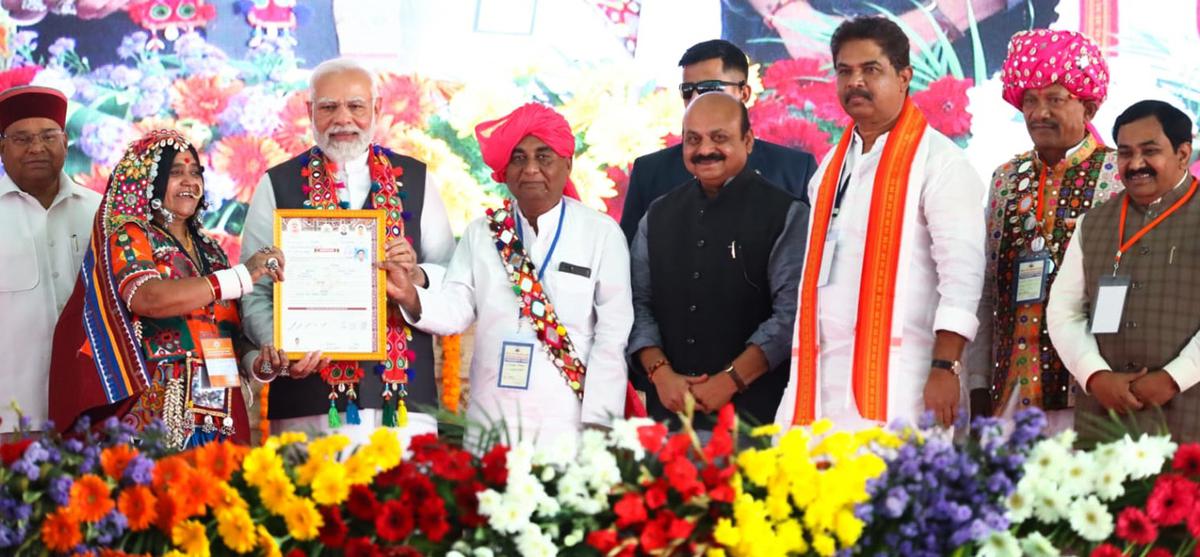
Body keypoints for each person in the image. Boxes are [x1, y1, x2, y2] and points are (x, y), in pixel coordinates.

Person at [775, 17, 987, 431]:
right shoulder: (830, 169)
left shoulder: (940, 164)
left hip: (903, 379)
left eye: (871, 70)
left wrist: (946, 366)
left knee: (896, 493)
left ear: (904, 77)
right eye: (845, 71)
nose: (856, 82)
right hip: (819, 380)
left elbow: (962, 278)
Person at [389, 103, 633, 451]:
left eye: (543, 157)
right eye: (518, 158)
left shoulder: (601, 234)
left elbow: (613, 335)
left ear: (568, 163)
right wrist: (409, 296)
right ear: (505, 169)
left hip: (567, 424)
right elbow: (456, 308)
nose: (530, 169)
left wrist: (599, 422)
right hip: (492, 421)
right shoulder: (483, 233)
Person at [240, 57, 454, 445]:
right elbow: (255, 288)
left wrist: (415, 278)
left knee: (403, 503)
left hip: (403, 407)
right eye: (328, 107)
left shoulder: (418, 179)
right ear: (309, 111)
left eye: (356, 106)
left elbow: (449, 277)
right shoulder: (277, 184)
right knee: (311, 503)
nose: (343, 119)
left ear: (377, 109)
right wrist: (282, 345)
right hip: (309, 403)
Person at [47, 129, 285, 447]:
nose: (190, 181)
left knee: (224, 493)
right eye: (176, 173)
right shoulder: (131, 234)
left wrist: (257, 362)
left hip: (221, 402)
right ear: (151, 181)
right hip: (160, 402)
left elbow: (227, 332)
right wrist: (241, 276)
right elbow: (147, 297)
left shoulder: (210, 249)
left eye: (195, 172)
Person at [966, 29, 1121, 434]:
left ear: (1087, 106)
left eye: (1055, 98)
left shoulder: (1118, 174)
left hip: (1091, 390)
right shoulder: (1004, 179)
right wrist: (979, 384)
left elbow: (1125, 283)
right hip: (1010, 392)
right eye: (1030, 100)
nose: (1038, 112)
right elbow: (986, 288)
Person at [629, 91, 806, 431]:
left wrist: (728, 382)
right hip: (668, 416)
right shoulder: (659, 214)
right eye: (692, 139)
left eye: (720, 138)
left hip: (753, 421)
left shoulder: (786, 214)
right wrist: (661, 374)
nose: (704, 149)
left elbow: (791, 316)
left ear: (749, 141)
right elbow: (638, 302)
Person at [1047, 100, 1200, 444]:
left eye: (1150, 151)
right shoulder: (1095, 222)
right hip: (1105, 419)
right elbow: (1063, 311)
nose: (1136, 164)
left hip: (1188, 415)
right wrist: (1096, 375)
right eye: (1125, 153)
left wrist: (1175, 377)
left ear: (1182, 154)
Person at [619, 39, 817, 244]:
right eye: (687, 91)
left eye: (709, 88)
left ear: (744, 93)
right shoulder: (651, 172)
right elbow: (632, 264)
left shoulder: (795, 170)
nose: (696, 99)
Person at [0, 85, 101, 434]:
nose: (36, 148)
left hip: (91, 412)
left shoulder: (100, 212)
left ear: (65, 142)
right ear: (2, 146)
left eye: (47, 136)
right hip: (11, 414)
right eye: (21, 139)